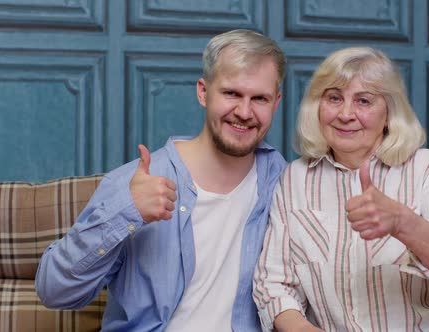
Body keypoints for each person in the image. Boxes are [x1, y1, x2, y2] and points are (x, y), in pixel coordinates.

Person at [35, 29, 287, 331]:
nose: (244, 112)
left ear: (276, 102)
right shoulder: (136, 181)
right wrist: (124, 211)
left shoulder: (284, 183)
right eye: (231, 93)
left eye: (259, 98)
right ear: (203, 92)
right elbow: (53, 291)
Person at [253, 47, 429, 331]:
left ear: (389, 113)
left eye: (363, 101)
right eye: (334, 98)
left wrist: (402, 222)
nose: (346, 114)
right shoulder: (294, 178)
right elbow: (274, 283)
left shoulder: (427, 167)